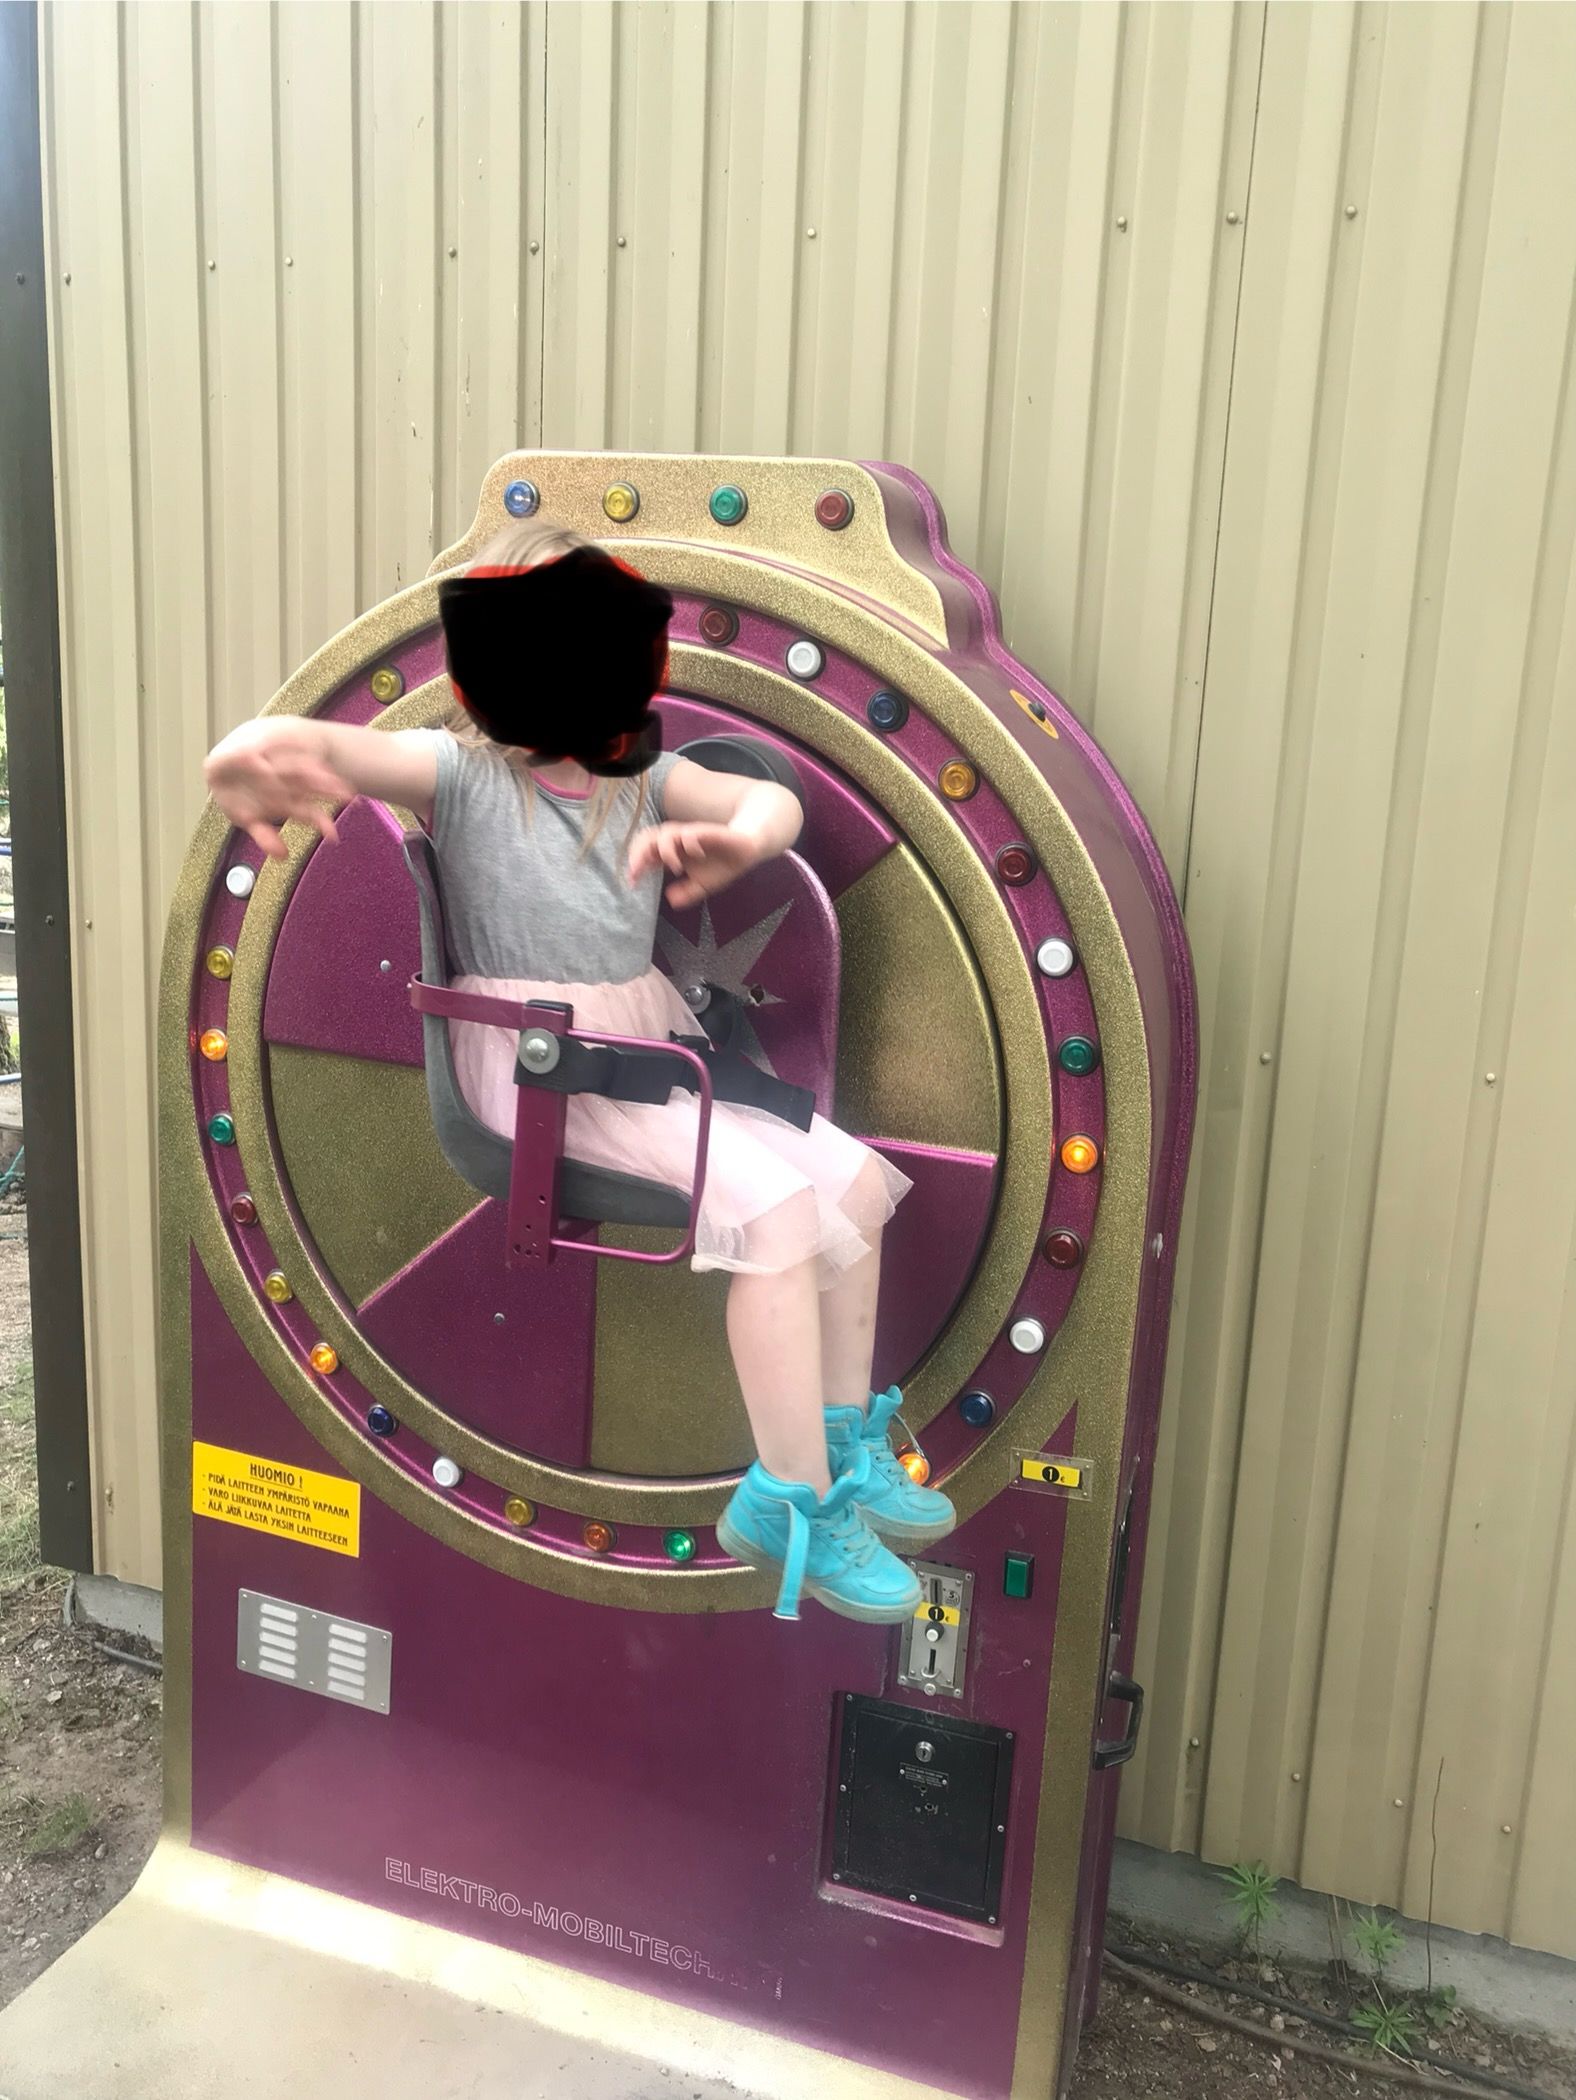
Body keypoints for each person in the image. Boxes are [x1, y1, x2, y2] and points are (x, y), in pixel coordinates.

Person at [203, 516, 955, 1624]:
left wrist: (747, 838)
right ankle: (787, 1499)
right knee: (779, 1214)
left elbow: (771, 801)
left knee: (852, 1184)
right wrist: (248, 749)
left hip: (640, 1055)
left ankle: (842, 1448)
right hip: (538, 1070)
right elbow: (330, 747)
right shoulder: (459, 776)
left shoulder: (641, 780)